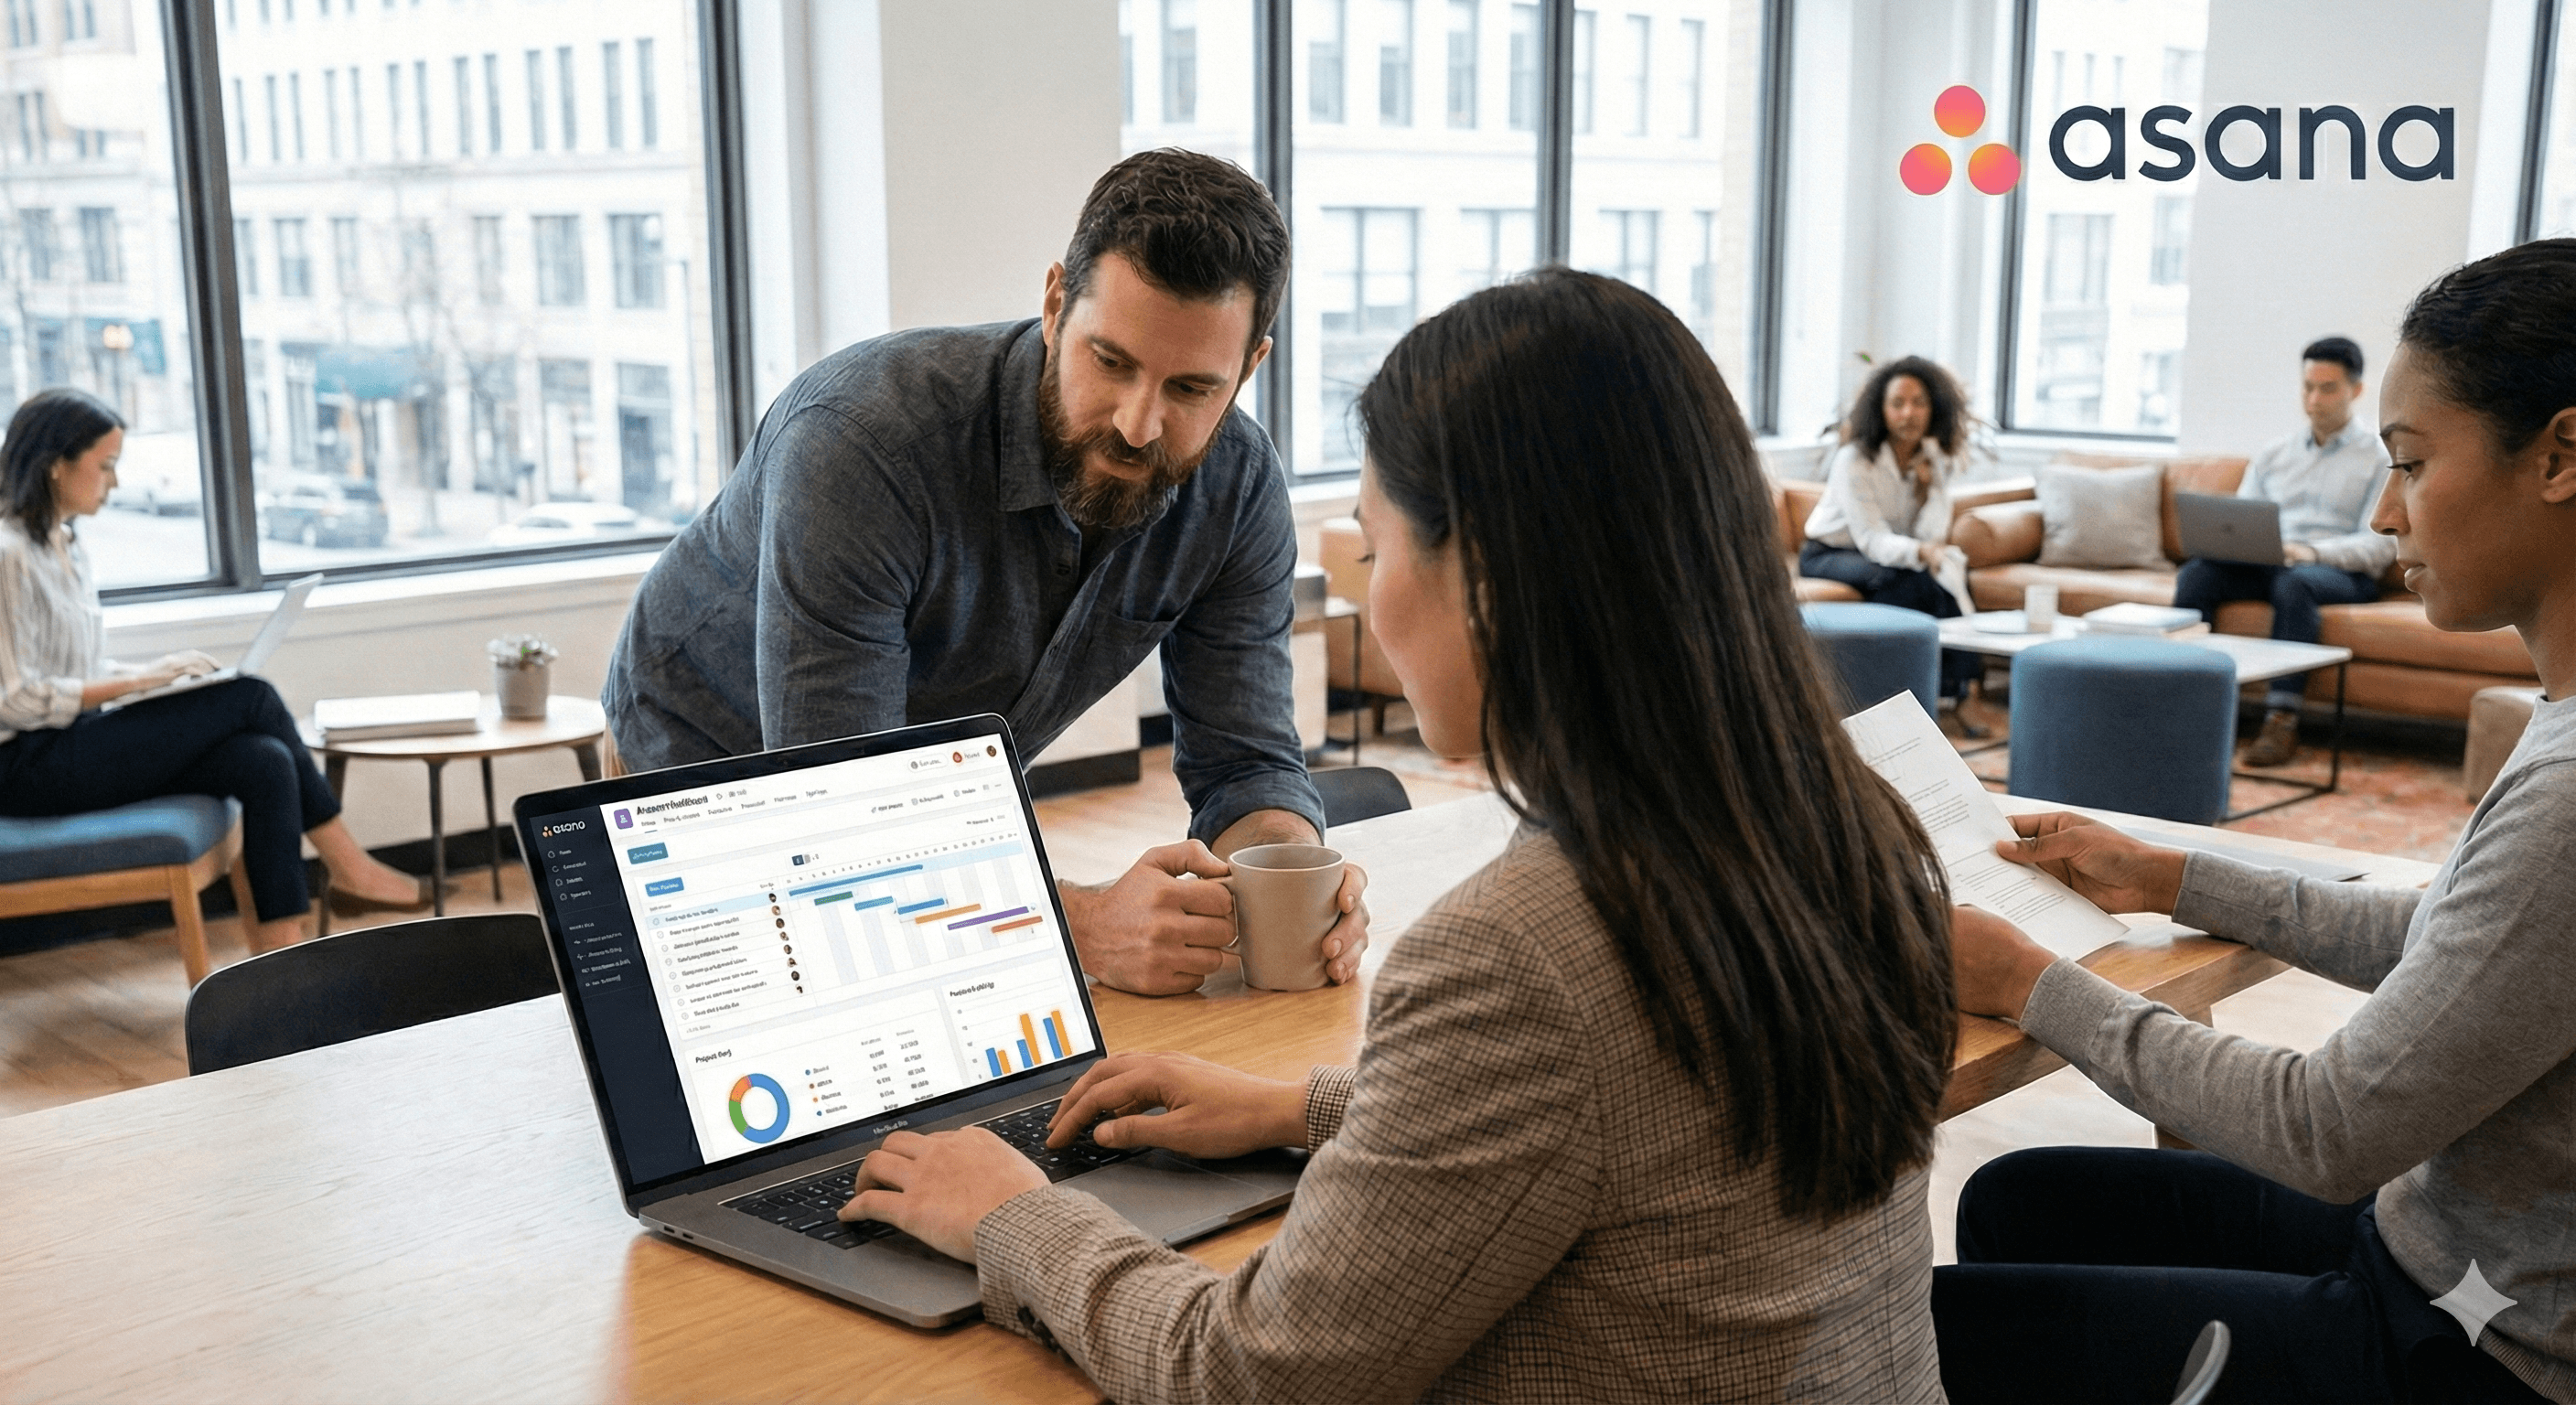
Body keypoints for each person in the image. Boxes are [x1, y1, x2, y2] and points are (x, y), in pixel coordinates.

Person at [826, 270, 1957, 1402]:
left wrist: (1012, 1214)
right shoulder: (1855, 830)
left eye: (1375, 551)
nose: (1374, 604)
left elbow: (1242, 1375)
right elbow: (1637, 1113)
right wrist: (1302, 1107)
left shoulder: (1519, 953)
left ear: (1485, 580)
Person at [1936, 241, 2576, 1404]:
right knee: (2012, 1200)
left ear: (2560, 454)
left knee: (1947, 1329)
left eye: (2413, 465)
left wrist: (2029, 980)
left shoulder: (2572, 798)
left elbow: (2324, 1128)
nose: (2386, 512)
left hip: (2475, 1348)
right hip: (2430, 1250)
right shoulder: (2561, 722)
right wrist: (2168, 874)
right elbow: (2448, 937)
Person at [601, 150, 1365, 998]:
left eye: (1190, 387)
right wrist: (1076, 927)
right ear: (1053, 306)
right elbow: (837, 820)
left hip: (928, 808)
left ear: (1249, 368)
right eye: (1110, 362)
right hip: (706, 770)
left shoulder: (1238, 486)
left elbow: (1245, 765)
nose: (1140, 425)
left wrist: (1295, 871)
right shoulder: (860, 447)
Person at [0, 389, 427, 955]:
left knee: (265, 761)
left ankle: (282, 963)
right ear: (56, 464)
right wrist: (139, 681)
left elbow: (69, 668)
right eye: (105, 466)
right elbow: (14, 698)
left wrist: (159, 674)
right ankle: (349, 864)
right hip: (25, 765)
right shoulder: (7, 554)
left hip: (70, 741)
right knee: (251, 697)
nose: (116, 482)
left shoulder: (65, 546)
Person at [2173, 335, 2397, 767]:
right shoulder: (2275, 454)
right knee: (2197, 575)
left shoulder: (2378, 457)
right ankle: (2184, 700)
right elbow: (2239, 520)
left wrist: (2310, 552)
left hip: (2335, 573)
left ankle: (2281, 718)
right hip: (2271, 564)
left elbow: (2378, 546)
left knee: (2296, 583)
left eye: (2327, 388)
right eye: (2307, 387)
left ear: (2356, 390)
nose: (2314, 399)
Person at [1799, 356, 1987, 714]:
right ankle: (1892, 688)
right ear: (1880, 409)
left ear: (1935, 409)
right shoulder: (1854, 460)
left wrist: (1928, 491)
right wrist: (1921, 553)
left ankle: (1950, 692)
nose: (1908, 414)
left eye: (1919, 403)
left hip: (1885, 553)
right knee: (1900, 578)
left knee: (1947, 578)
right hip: (1828, 554)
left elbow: (1929, 534)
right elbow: (1871, 539)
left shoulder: (1934, 458)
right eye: (1897, 403)